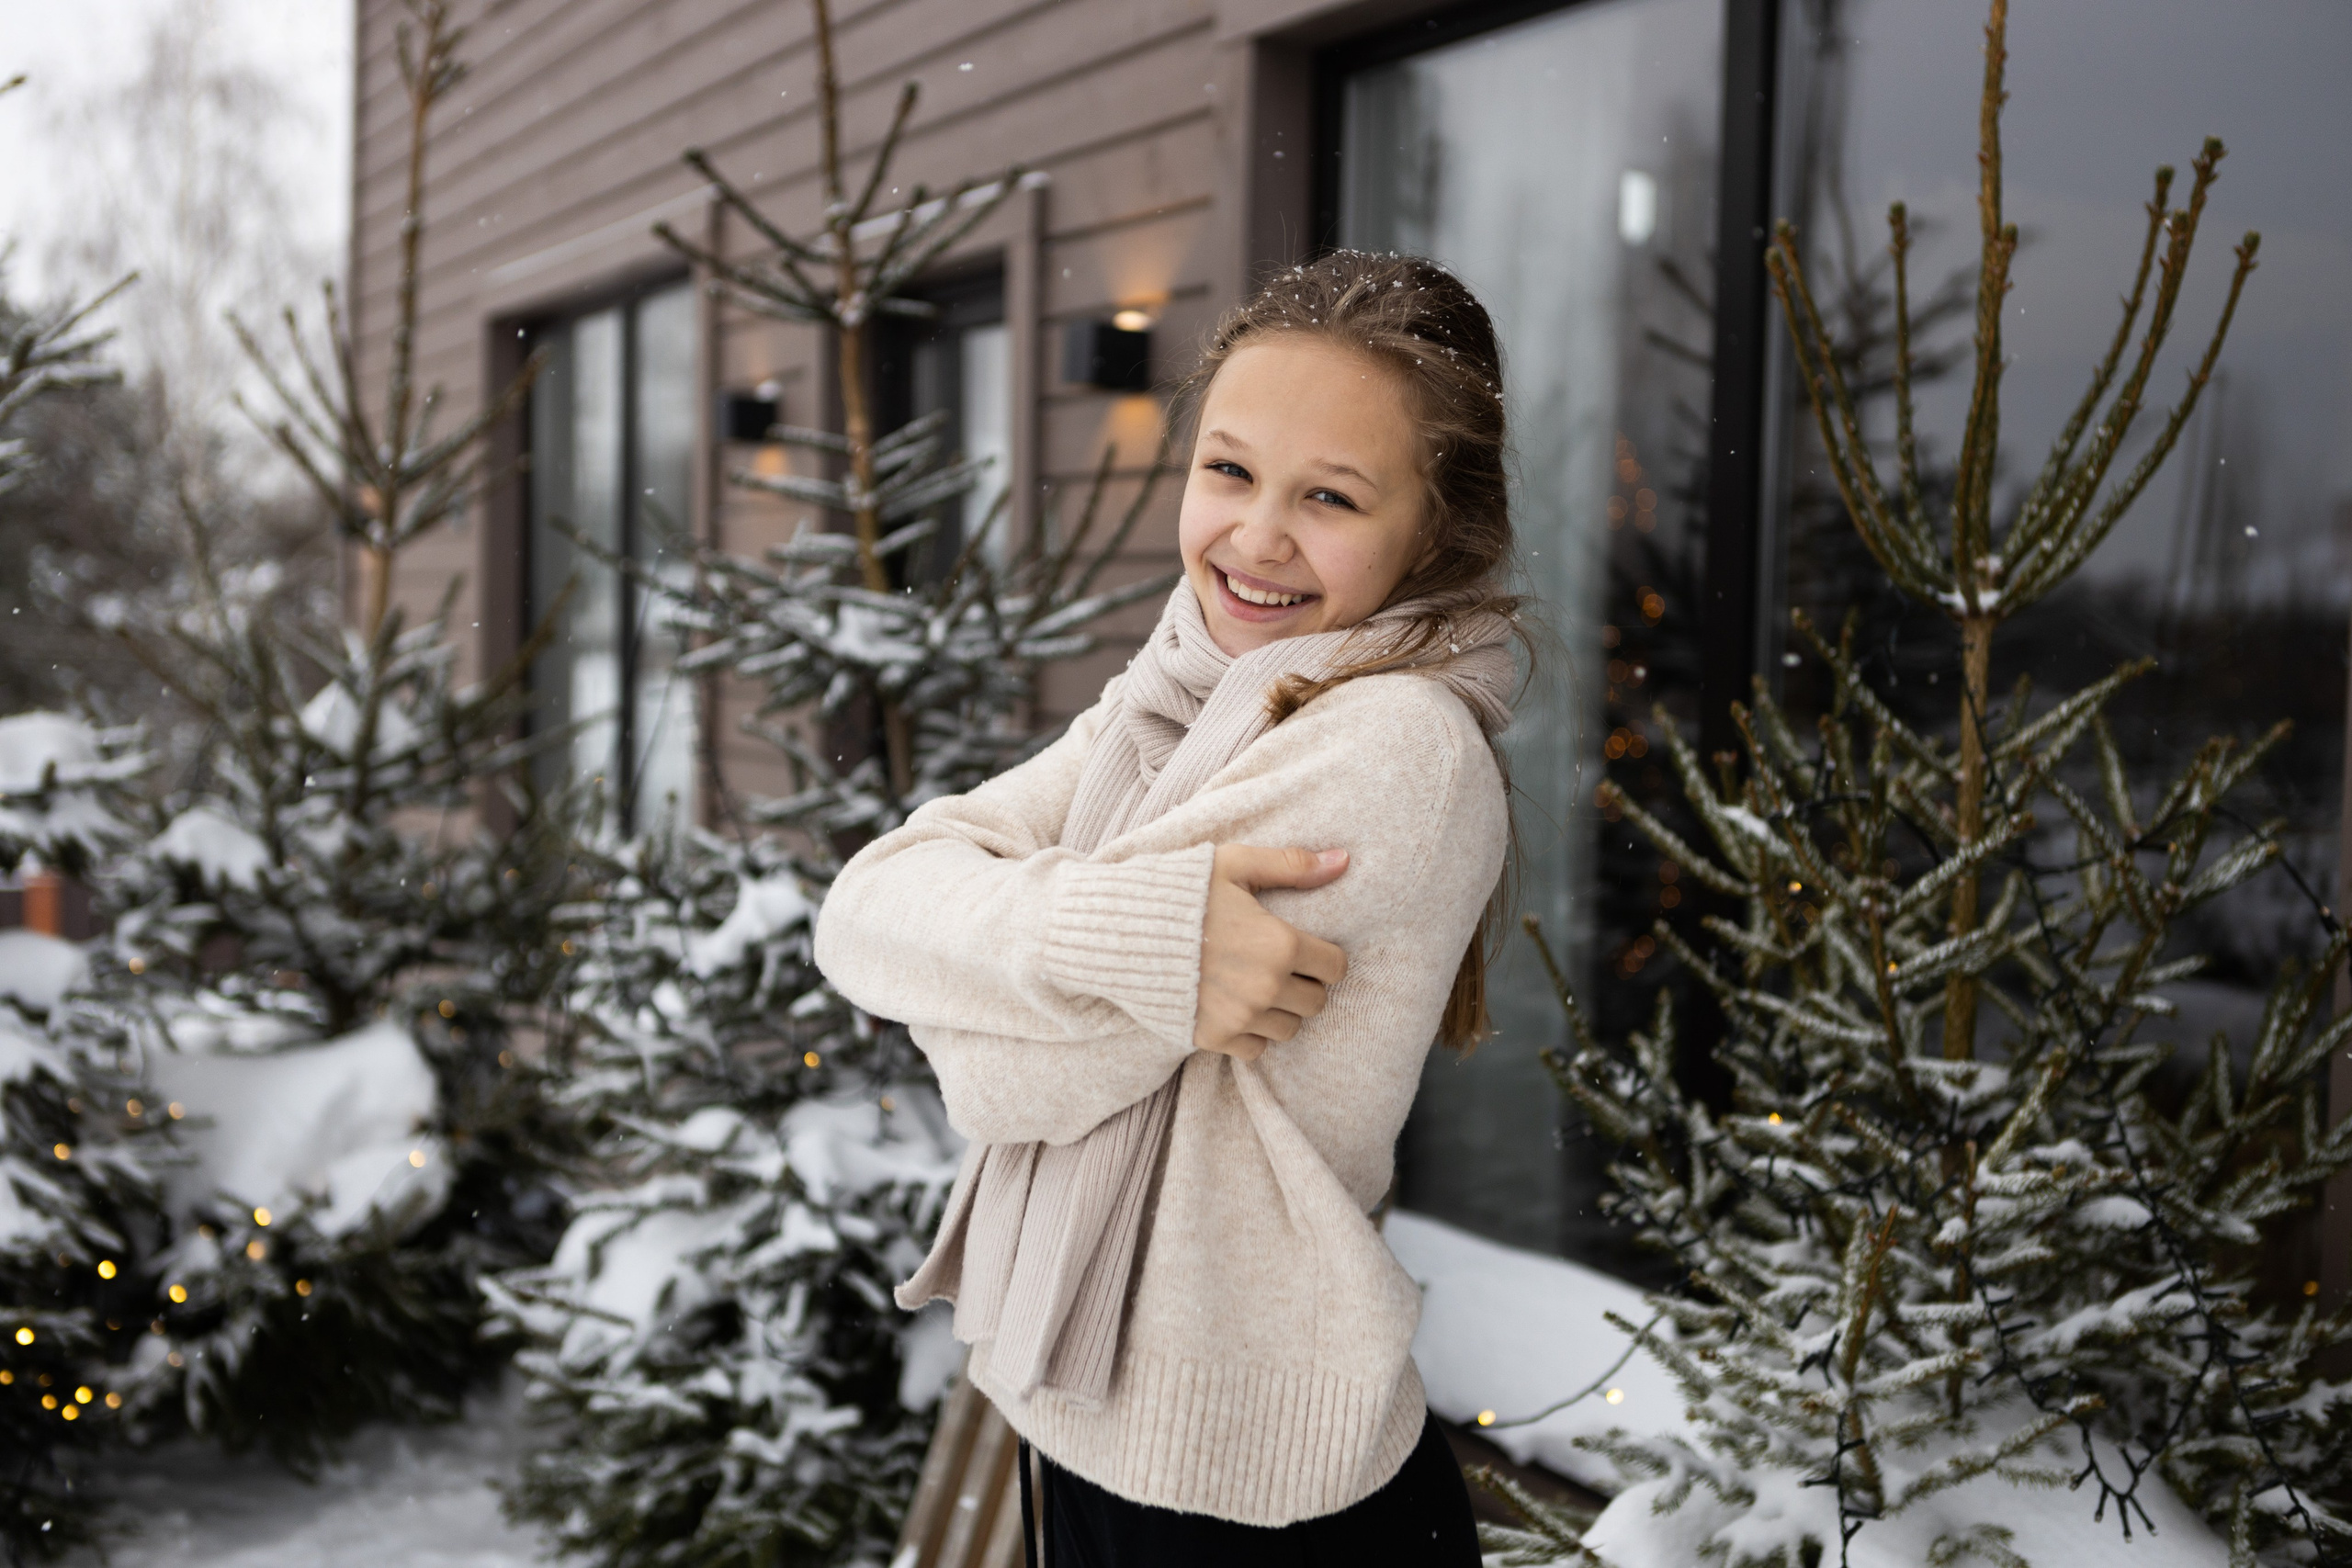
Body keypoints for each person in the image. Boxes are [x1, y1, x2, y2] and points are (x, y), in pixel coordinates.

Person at [815, 249, 1525, 1566]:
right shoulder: (1181, 686)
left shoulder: (1393, 747)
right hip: (1090, 1420)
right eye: (1230, 470)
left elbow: (1003, 1087)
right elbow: (864, 907)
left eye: (1331, 496)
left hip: (1258, 1490)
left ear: (1435, 529)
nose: (1258, 537)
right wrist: (1122, 935)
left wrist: (979, 956)